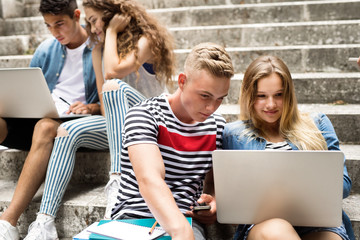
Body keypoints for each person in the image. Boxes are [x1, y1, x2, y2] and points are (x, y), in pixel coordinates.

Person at [21, 0, 176, 239]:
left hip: (151, 118)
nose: (92, 29)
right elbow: (106, 106)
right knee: (66, 131)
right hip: (119, 126)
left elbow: (113, 74)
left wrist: (112, 31)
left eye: (94, 20)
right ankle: (44, 222)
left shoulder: (146, 39)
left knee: (113, 85)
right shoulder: (98, 47)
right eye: (89, 22)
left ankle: (117, 180)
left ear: (113, 16)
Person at [111, 42, 234, 240]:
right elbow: (149, 179)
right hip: (135, 219)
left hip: (187, 222)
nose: (212, 107)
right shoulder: (144, 115)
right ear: (182, 81)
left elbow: (212, 183)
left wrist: (211, 202)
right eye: (205, 96)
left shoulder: (217, 126)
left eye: (220, 98)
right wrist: (180, 231)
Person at [222, 55, 353, 240]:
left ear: (289, 94)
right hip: (264, 225)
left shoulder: (318, 123)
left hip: (316, 223)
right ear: (249, 96)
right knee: (278, 229)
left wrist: (303, 188)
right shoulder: (232, 134)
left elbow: (344, 184)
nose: (271, 104)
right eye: (261, 96)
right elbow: (233, 199)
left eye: (279, 95)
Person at [0, 0, 100, 239]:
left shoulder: (98, 47)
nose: (55, 32)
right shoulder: (46, 49)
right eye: (48, 26)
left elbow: (111, 98)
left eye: (60, 24)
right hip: (42, 116)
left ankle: (8, 222)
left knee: (45, 126)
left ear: (77, 15)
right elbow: (27, 89)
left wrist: (91, 107)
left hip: (72, 124)